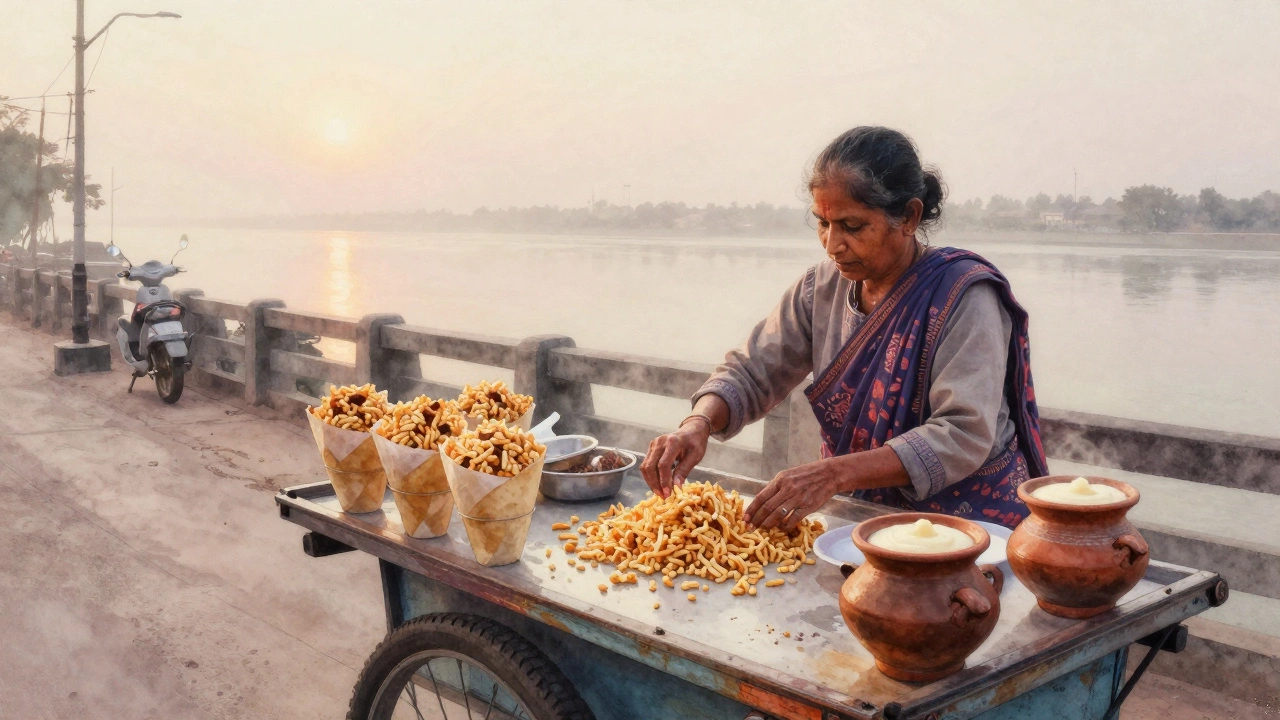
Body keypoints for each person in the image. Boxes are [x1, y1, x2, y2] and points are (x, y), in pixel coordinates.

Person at [640, 126, 1048, 531]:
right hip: (860, 519)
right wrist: (699, 423)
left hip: (967, 527)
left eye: (852, 227)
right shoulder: (821, 289)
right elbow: (753, 370)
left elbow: (962, 434)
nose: (832, 244)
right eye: (822, 223)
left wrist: (833, 475)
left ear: (909, 216)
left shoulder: (965, 296)